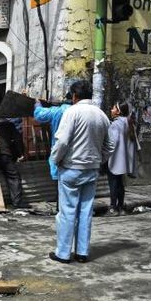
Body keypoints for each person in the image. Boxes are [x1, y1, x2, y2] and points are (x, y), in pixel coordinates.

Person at [49, 80, 115, 264]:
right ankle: (82, 252)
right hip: (91, 170)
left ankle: (63, 253)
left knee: (67, 212)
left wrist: (55, 160)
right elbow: (110, 146)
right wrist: (98, 160)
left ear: (75, 96)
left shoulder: (72, 112)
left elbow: (62, 142)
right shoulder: (101, 115)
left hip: (71, 169)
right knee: (85, 211)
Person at [0, 116, 30, 208]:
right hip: (4, 154)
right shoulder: (9, 125)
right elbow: (17, 140)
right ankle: (17, 203)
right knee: (14, 176)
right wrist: (20, 154)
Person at [106, 102, 137, 216]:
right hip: (124, 160)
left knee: (113, 183)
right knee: (120, 183)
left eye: (114, 108)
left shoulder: (115, 124)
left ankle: (113, 208)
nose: (111, 109)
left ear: (118, 111)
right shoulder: (129, 123)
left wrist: (104, 155)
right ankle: (121, 207)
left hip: (114, 159)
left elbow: (112, 143)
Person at [34, 93, 72, 181]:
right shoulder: (86, 112)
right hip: (82, 161)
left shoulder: (57, 111)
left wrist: (37, 104)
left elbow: (39, 115)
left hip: (61, 158)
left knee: (62, 189)